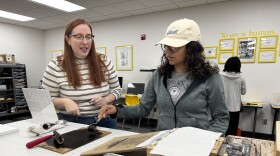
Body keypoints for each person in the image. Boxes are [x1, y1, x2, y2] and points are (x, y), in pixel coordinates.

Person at [99, 18, 229, 134]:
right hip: (164, 141)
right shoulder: (159, 76)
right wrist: (117, 110)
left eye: (174, 47)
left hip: (195, 145)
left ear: (191, 48)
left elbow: (221, 118)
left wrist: (206, 141)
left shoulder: (209, 77)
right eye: (166, 46)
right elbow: (143, 108)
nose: (167, 51)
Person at [42, 19, 121, 128]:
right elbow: (45, 99)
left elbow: (117, 90)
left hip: (105, 120)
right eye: (78, 36)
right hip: (71, 122)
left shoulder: (104, 61)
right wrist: (65, 101)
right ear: (68, 39)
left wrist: (105, 100)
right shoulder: (55, 66)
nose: (85, 42)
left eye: (88, 37)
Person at [221, 57, 246, 136]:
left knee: (221, 128)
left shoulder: (219, 76)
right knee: (232, 130)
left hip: (222, 107)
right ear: (238, 66)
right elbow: (243, 92)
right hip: (235, 108)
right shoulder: (241, 78)